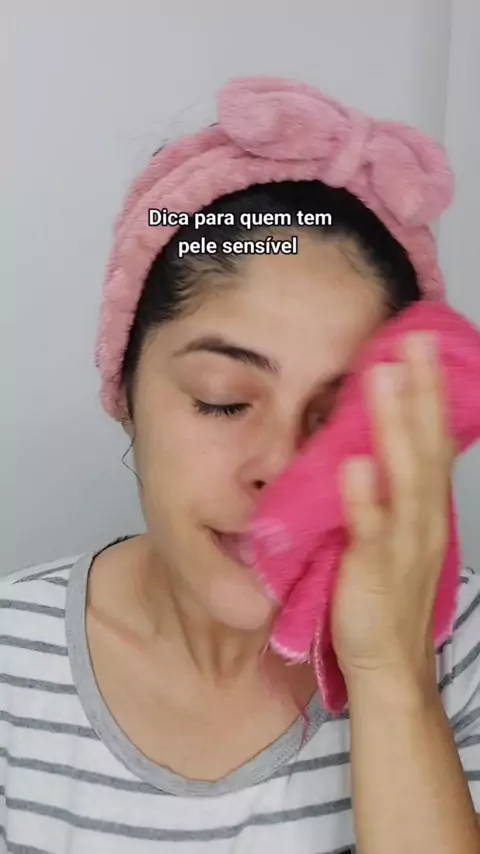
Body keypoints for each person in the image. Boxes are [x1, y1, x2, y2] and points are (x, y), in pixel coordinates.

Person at [2, 77, 479, 854]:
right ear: (124, 389)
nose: (281, 468)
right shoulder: (10, 661)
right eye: (222, 401)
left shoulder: (462, 649)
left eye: (333, 417)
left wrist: (394, 679)